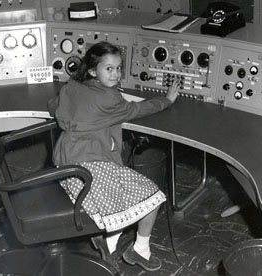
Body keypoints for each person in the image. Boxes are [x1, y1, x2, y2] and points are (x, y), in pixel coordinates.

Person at [48, 41, 179, 272]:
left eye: (118, 68)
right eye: (109, 68)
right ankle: (140, 249)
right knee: (154, 197)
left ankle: (109, 240)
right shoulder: (110, 99)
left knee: (122, 193)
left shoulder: (71, 86)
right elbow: (137, 110)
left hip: (65, 163)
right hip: (88, 167)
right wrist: (167, 100)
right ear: (92, 71)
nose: (116, 73)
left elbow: (54, 107)